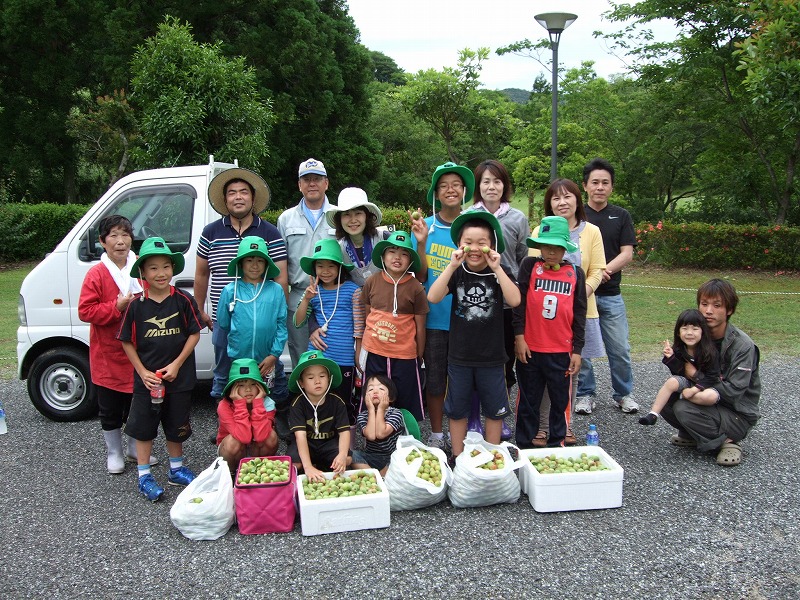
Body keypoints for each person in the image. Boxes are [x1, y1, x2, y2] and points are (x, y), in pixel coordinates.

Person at [427, 211, 520, 460]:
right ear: (459, 246)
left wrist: (498, 269)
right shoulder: (457, 272)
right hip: (459, 357)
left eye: (482, 243)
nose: (475, 248)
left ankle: (491, 456)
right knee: (457, 411)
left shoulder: (499, 272)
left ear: (492, 247)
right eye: (468, 242)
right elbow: (433, 297)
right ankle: (458, 458)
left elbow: (515, 300)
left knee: (494, 410)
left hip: (492, 358)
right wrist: (451, 265)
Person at [118, 237, 203, 502]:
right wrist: (142, 371)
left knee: (176, 424)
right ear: (142, 272)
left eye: (165, 266)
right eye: (153, 268)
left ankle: (176, 469)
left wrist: (177, 364)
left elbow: (194, 334)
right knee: (144, 427)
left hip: (179, 377)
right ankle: (144, 475)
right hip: (148, 382)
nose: (160, 273)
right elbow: (127, 341)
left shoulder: (182, 300)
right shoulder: (136, 305)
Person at [194, 168, 288, 404]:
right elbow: (201, 273)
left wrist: (279, 315)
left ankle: (271, 419)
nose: (238, 197)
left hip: (263, 315)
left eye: (244, 192)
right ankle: (225, 420)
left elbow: (281, 276)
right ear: (225, 200)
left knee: (269, 371)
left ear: (252, 198)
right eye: (232, 193)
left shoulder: (270, 232)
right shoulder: (211, 232)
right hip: (223, 318)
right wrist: (199, 308)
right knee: (224, 371)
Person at [529, 178, 607, 446]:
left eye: (567, 197)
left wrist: (580, 295)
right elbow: (532, 270)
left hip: (579, 309)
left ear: (577, 199)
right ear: (549, 203)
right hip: (543, 319)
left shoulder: (592, 231)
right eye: (555, 198)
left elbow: (598, 269)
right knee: (544, 377)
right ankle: (542, 425)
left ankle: (565, 424)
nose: (562, 202)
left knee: (568, 374)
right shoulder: (541, 229)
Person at [78, 215, 156, 473]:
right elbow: (85, 311)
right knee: (110, 407)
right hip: (108, 352)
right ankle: (114, 453)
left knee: (138, 404)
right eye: (113, 236)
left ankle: (134, 449)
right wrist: (116, 306)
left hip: (139, 351)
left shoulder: (141, 268)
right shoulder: (97, 274)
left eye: (125, 235)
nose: (120, 242)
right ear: (102, 241)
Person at [660, 279, 760, 466]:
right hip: (707, 399)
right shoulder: (695, 335)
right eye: (704, 304)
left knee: (683, 408)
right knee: (666, 397)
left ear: (729, 309)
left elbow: (733, 392)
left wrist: (696, 376)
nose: (708, 311)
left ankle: (727, 442)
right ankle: (697, 434)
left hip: (737, 413)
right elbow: (682, 373)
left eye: (717, 305)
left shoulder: (742, 345)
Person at [410, 161, 473, 451]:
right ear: (435, 193)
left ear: (464, 191)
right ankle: (437, 433)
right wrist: (421, 243)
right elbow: (421, 275)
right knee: (435, 381)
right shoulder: (426, 227)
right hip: (435, 318)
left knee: (466, 380)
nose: (450, 190)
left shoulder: (473, 226)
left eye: (456, 185)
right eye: (443, 185)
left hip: (469, 318)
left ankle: (466, 432)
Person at [470, 159, 532, 440]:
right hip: (476, 301)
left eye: (497, 181)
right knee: (474, 359)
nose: (491, 186)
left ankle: (497, 414)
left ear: (505, 185)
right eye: (486, 181)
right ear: (478, 186)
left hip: (507, 304)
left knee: (505, 361)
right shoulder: (469, 215)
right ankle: (473, 416)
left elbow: (522, 260)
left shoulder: (518, 218)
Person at [513, 216, 587, 448]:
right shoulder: (530, 266)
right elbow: (519, 303)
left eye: (557, 247)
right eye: (546, 246)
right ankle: (524, 446)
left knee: (559, 401)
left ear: (566, 247)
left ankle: (557, 445)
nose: (551, 252)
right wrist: (519, 337)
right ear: (539, 246)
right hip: (531, 348)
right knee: (528, 400)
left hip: (561, 350)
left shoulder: (575, 273)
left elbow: (580, 313)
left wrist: (577, 350)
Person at [580, 158, 639, 414]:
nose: (600, 187)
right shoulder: (577, 215)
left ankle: (624, 394)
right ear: (585, 186)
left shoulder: (621, 215)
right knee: (581, 350)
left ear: (612, 187)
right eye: (595, 182)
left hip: (610, 293)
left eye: (605, 183)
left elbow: (627, 252)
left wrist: (603, 271)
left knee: (620, 348)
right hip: (582, 295)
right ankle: (584, 394)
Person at [294, 238, 365, 427]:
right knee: (315, 401)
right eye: (320, 266)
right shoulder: (312, 291)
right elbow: (298, 322)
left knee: (344, 404)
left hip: (344, 358)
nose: (325, 271)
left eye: (331, 266)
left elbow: (359, 326)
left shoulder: (353, 290)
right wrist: (307, 299)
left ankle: (346, 449)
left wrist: (358, 355)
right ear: (314, 268)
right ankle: (318, 442)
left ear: (340, 267)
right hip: (316, 357)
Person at [362, 231, 429, 421]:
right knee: (374, 394)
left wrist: (419, 354)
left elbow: (420, 325)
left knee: (406, 396)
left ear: (410, 261)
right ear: (383, 256)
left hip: (405, 354)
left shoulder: (416, 287)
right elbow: (368, 314)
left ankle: (407, 437)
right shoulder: (372, 281)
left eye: (404, 253)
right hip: (375, 352)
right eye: (391, 251)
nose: (397, 257)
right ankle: (375, 437)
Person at [278, 158, 336, 369]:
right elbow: (281, 264)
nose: (312, 184)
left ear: (326, 183)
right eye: (307, 179)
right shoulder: (286, 219)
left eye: (317, 179)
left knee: (333, 351)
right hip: (299, 296)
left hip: (333, 297)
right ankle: (301, 401)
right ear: (299, 185)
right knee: (301, 355)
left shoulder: (338, 216)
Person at [216, 236, 288, 404]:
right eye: (249, 260)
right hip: (240, 359)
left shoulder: (275, 290)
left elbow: (281, 325)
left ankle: (276, 426)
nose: (255, 265)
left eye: (260, 260)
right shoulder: (230, 291)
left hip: (268, 358)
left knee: (274, 394)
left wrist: (274, 355)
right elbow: (224, 323)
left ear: (266, 264)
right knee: (242, 396)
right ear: (240, 263)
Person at [640, 309, 720, 426]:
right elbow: (678, 373)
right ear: (678, 332)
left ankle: (681, 396)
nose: (689, 333)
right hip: (688, 383)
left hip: (706, 387)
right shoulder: (679, 349)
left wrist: (693, 390)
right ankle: (653, 414)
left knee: (711, 396)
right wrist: (671, 357)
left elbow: (712, 376)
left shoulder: (709, 351)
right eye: (684, 328)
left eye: (695, 329)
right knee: (672, 382)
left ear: (703, 331)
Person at [287, 350, 352, 482]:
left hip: (329, 443)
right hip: (307, 443)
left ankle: (323, 464)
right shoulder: (297, 403)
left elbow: (344, 431)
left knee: (347, 459)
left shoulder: (337, 401)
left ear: (329, 378)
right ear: (301, 383)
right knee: (293, 465)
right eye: (310, 378)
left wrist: (342, 455)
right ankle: (309, 469)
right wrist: (308, 467)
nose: (317, 381)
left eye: (322, 376)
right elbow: (301, 436)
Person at [216, 358, 279, 473]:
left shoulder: (267, 403)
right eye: (241, 385)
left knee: (271, 437)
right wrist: (240, 405)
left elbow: (261, 436)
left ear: (260, 387)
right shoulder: (224, 406)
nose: (248, 389)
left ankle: (260, 472)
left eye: (253, 384)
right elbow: (243, 437)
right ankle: (230, 474)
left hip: (256, 447)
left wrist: (258, 403)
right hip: (234, 449)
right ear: (232, 389)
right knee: (232, 443)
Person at [325, 187, 385, 287]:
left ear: (367, 216)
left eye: (358, 213)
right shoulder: (338, 249)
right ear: (339, 219)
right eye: (347, 214)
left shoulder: (384, 239)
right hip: (355, 302)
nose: (353, 220)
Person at [351, 374, 405, 475]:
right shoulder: (362, 416)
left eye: (381, 388)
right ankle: (374, 476)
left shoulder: (395, 413)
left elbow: (381, 434)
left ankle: (377, 476)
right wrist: (371, 410)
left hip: (393, 456)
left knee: (401, 460)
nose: (375, 391)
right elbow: (371, 436)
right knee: (351, 454)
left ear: (391, 398)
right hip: (372, 456)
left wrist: (380, 409)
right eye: (370, 389)